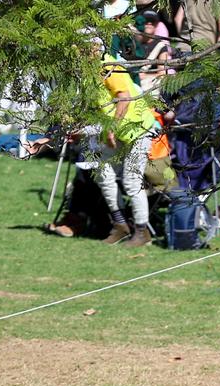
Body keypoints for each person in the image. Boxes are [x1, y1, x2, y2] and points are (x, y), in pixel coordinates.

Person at [94, 43, 160, 247]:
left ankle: (142, 232)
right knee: (104, 174)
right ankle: (120, 225)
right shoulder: (89, 69)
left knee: (132, 181)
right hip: (114, 131)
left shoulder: (109, 66)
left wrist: (112, 127)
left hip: (137, 128)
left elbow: (125, 96)